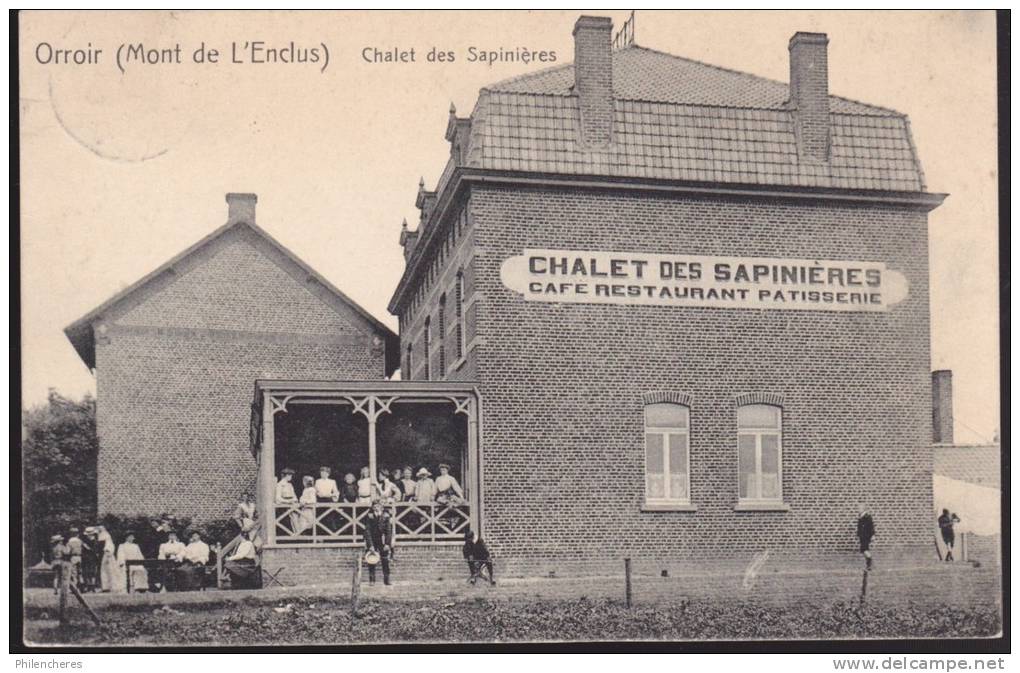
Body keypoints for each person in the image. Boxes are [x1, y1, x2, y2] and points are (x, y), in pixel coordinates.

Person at [363, 500, 393, 585]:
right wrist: (370, 545)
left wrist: (387, 543)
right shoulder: (369, 516)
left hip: (382, 540)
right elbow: (367, 531)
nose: (377, 508)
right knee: (371, 559)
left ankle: (386, 579)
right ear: (372, 508)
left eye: (379, 506)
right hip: (373, 539)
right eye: (375, 506)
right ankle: (372, 580)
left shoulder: (386, 516)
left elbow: (389, 531)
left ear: (382, 508)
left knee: (385, 560)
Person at [224, 524, 262, 589]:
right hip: (242, 561)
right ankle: (231, 579)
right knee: (228, 564)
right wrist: (231, 558)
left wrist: (230, 558)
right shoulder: (242, 544)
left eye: (240, 537)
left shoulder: (248, 544)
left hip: (248, 562)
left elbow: (242, 555)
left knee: (230, 564)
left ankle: (229, 577)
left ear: (242, 537)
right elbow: (238, 554)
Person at [276, 468, 300, 535]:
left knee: (296, 522)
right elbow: (278, 498)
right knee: (286, 524)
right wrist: (288, 501)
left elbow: (294, 496)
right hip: (284, 508)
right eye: (290, 475)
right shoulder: (280, 485)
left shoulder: (290, 485)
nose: (291, 477)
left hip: (292, 507)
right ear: (285, 476)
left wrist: (295, 500)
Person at [96, 525, 119, 592]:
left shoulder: (106, 537)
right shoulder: (102, 537)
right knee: (104, 571)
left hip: (107, 555)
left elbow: (108, 547)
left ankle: (111, 586)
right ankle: (105, 587)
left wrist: (107, 554)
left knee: (110, 570)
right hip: (103, 555)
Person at [81, 527, 101, 592]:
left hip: (92, 558)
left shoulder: (95, 541)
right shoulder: (87, 541)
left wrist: (87, 547)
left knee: (92, 572)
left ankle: (92, 586)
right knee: (87, 572)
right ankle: (89, 586)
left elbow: (95, 550)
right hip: (87, 558)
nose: (88, 536)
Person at [856, 505, 876, 570]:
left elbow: (871, 526)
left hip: (866, 536)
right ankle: (869, 564)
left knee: (864, 549)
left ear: (863, 509)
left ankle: (870, 562)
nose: (858, 510)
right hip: (862, 536)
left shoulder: (867, 517)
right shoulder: (861, 517)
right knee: (863, 550)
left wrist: (873, 535)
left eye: (859, 508)